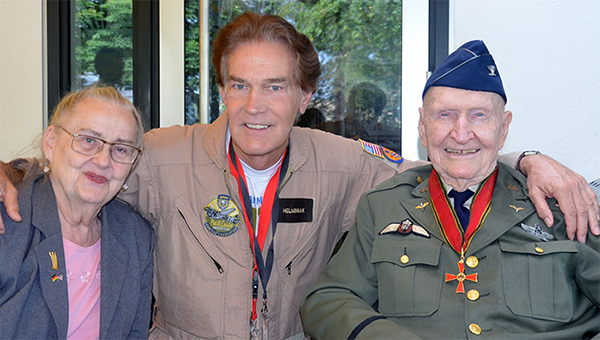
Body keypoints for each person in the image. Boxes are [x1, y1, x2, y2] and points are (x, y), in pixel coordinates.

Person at [0, 13, 597, 339]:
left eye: (275, 86)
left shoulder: (343, 162)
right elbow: (87, 170)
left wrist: (527, 161)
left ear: (305, 95)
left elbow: (448, 161)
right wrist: (15, 168)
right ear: (223, 90)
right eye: (239, 85)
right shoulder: (158, 155)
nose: (254, 105)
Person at [300, 40, 599, 339]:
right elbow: (327, 300)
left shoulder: (561, 203)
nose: (461, 134)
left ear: (504, 128)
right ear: (422, 127)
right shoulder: (383, 207)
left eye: (479, 115)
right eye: (445, 115)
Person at [0, 85, 154, 339]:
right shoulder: (9, 220)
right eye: (89, 140)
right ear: (50, 143)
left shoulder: (136, 237)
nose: (103, 161)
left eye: (120, 149)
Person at [317, 82, 402, 152]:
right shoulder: (324, 132)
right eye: (356, 109)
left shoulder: (391, 136)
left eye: (369, 108)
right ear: (348, 107)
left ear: (379, 111)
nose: (362, 114)